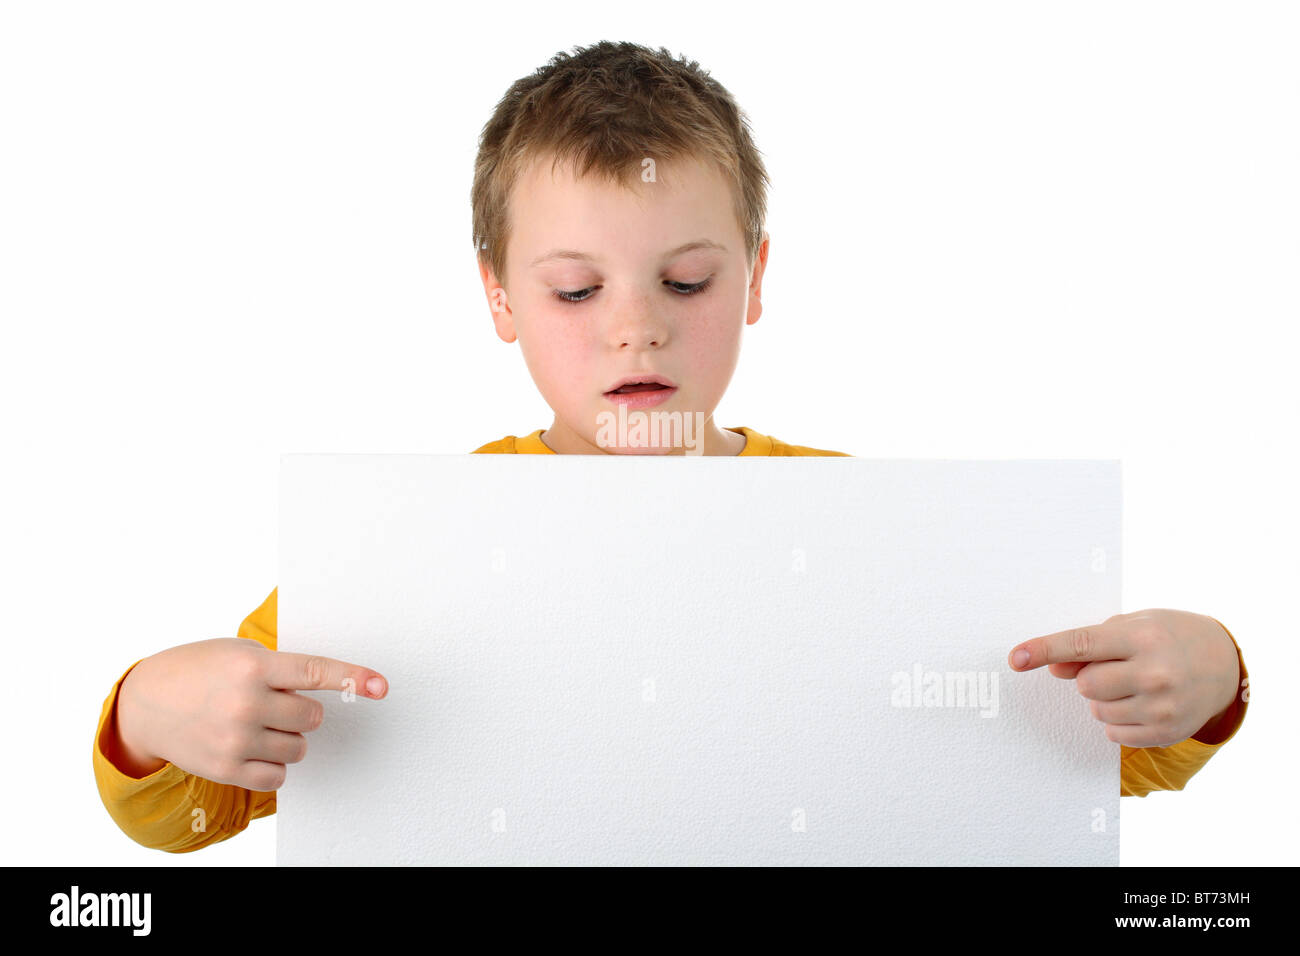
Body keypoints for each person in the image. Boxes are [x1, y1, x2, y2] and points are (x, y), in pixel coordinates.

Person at [93, 40, 1248, 853]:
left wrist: (1208, 681)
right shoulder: (409, 546)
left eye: (684, 279)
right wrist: (149, 709)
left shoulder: (870, 527)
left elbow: (1078, 765)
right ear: (498, 298)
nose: (636, 323)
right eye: (575, 287)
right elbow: (193, 810)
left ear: (754, 278)